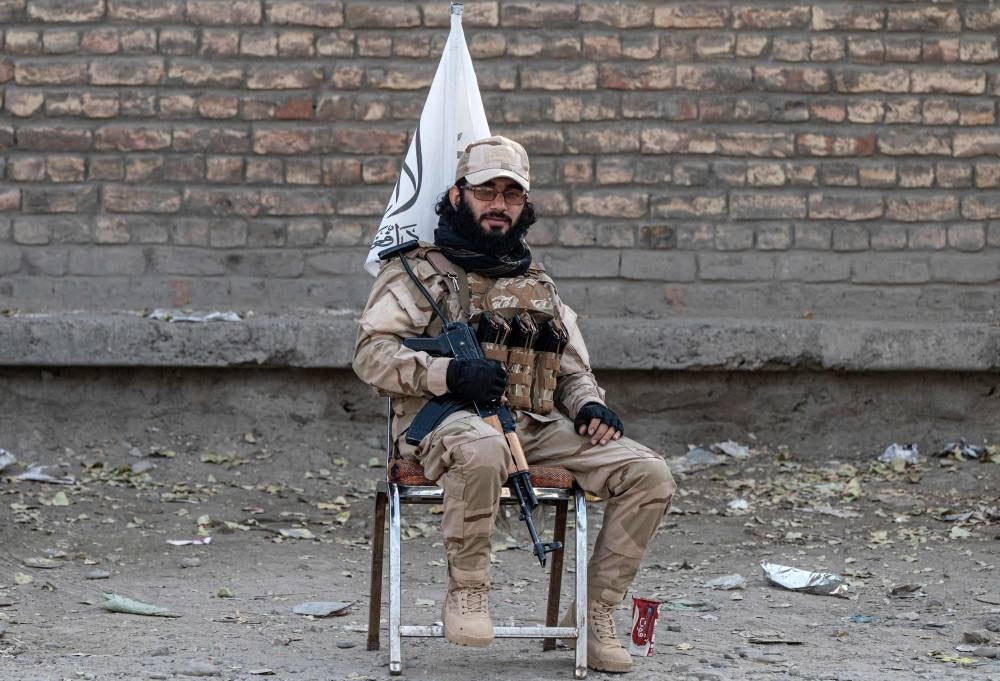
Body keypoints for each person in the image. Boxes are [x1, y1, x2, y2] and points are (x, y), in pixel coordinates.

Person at [353, 136, 676, 674]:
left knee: (650, 474)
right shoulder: (417, 273)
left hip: (533, 423)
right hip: (444, 424)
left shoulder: (537, 282)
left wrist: (589, 407)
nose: (499, 204)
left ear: (524, 205)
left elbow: (570, 367)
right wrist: (447, 371)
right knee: (481, 448)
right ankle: (468, 590)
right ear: (458, 194)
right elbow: (370, 356)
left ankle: (593, 616)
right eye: (486, 191)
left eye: (511, 194)